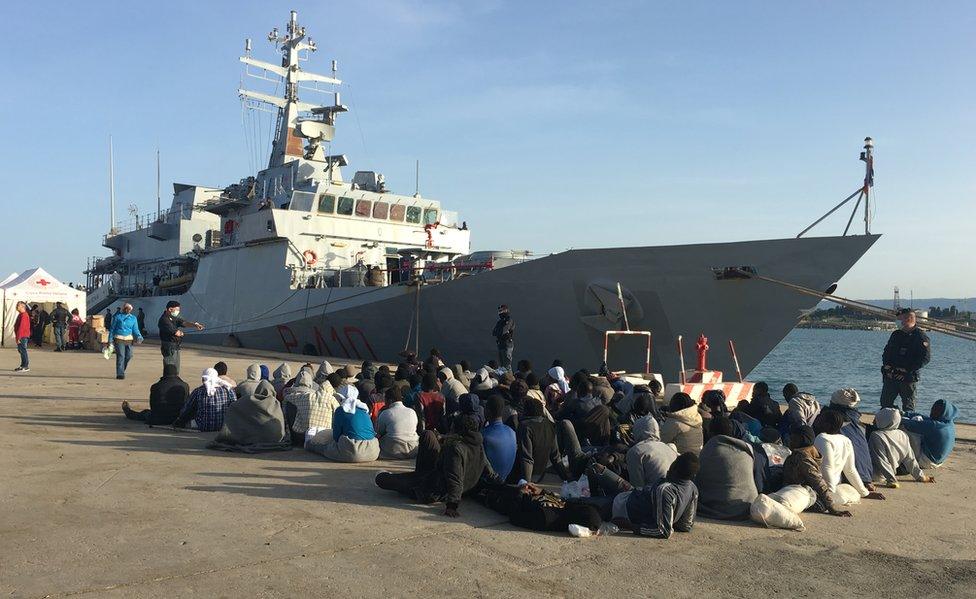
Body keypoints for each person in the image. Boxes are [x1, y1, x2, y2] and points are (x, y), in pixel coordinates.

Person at [375, 414, 505, 518]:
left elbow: (455, 478)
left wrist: (452, 505)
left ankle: (391, 476)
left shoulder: (454, 448)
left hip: (433, 489)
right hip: (441, 478)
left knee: (382, 480)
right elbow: (489, 471)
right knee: (428, 435)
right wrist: (504, 484)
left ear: (457, 429)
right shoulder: (478, 444)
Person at [613, 453, 700, 538]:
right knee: (606, 475)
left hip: (622, 506)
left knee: (602, 493)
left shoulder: (665, 490)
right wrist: (669, 517)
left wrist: (630, 526)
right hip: (633, 495)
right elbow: (686, 525)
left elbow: (662, 531)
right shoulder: (692, 488)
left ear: (675, 468)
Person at [813, 410, 885, 504]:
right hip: (836, 483)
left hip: (824, 485)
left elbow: (827, 468)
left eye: (821, 419)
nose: (817, 419)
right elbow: (850, 470)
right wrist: (864, 492)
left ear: (827, 425)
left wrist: (829, 493)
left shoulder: (822, 438)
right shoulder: (845, 440)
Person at [694, 417, 758, 520]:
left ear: (711, 432)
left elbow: (700, 480)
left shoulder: (711, 448)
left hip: (724, 509)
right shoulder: (746, 449)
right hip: (748, 506)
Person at [781, 425, 853, 517]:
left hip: (798, 489)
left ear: (802, 439)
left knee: (820, 505)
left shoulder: (801, 457)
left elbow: (817, 481)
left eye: (793, 437)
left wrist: (832, 508)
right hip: (805, 487)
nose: (790, 440)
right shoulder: (812, 450)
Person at [209, 380, 290, 452]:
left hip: (258, 438)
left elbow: (234, 406)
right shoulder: (275, 403)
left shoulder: (250, 400)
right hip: (276, 439)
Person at [817, 388, 873, 488]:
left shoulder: (828, 422)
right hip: (866, 475)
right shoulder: (858, 424)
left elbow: (827, 466)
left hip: (847, 478)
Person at [309, 385, 380, 463]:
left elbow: (336, 437)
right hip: (373, 451)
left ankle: (309, 444)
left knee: (321, 447)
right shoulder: (364, 409)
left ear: (341, 398)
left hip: (354, 452)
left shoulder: (341, 410)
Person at [880, 308, 931, 412]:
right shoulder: (896, 334)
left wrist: (907, 369)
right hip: (891, 376)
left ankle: (906, 426)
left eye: (899, 319)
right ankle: (887, 423)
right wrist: (887, 366)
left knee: (908, 407)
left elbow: (925, 358)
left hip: (907, 378)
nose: (897, 322)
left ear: (909, 319)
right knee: (885, 403)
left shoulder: (920, 337)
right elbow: (887, 352)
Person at [869, 408, 935, 487]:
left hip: (875, 474)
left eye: (877, 418)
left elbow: (881, 460)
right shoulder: (902, 434)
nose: (874, 420)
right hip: (892, 472)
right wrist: (921, 476)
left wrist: (891, 480)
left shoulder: (876, 435)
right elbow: (910, 459)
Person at [512, 396, 570, 483]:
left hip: (527, 475)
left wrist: (526, 484)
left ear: (525, 411)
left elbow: (527, 458)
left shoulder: (525, 426)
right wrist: (566, 477)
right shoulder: (549, 424)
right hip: (541, 472)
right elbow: (555, 456)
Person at [282, 368, 339, 446]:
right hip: (324, 436)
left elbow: (286, 397)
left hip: (302, 435)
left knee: (290, 405)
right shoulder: (332, 399)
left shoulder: (306, 396)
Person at [122, 365, 189, 425]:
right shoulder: (185, 386)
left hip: (159, 418)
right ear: (177, 373)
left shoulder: (156, 386)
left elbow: (153, 405)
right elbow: (187, 404)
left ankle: (129, 412)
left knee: (144, 413)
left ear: (164, 373)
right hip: (178, 417)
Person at [902, 399, 958, 469]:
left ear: (942, 412)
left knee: (905, 427)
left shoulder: (935, 426)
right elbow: (923, 417)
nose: (932, 412)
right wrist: (904, 413)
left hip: (927, 462)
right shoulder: (947, 423)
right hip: (938, 461)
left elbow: (909, 424)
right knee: (918, 418)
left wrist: (894, 415)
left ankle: (902, 456)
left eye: (936, 410)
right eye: (933, 408)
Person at [626, 416, 679, 488]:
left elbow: (637, 486)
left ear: (637, 430)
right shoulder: (667, 447)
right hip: (674, 492)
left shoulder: (635, 452)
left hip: (655, 495)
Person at [157, 301, 204, 375]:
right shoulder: (164, 320)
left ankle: (174, 381)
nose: (178, 312)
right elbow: (177, 333)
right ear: (170, 309)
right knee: (169, 368)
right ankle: (168, 382)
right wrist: (181, 333)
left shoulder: (174, 317)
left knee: (176, 369)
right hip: (169, 347)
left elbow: (184, 323)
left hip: (176, 346)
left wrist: (195, 325)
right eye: (176, 310)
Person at [376, 386, 420, 459]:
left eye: (385, 400)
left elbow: (379, 432)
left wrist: (379, 414)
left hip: (394, 449)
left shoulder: (386, 413)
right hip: (413, 449)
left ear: (390, 401)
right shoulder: (412, 412)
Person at [482, 395, 517, 481]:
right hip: (505, 478)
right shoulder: (512, 432)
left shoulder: (484, 435)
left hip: (488, 482)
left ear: (488, 411)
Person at [109, 303, 143, 380]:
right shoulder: (117, 317)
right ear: (123, 309)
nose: (128, 310)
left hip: (129, 339)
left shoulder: (133, 318)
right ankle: (120, 374)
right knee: (121, 356)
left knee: (129, 356)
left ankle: (121, 369)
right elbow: (112, 329)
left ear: (131, 310)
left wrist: (139, 336)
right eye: (126, 308)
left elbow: (135, 329)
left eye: (129, 308)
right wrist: (110, 340)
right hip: (119, 338)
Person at [492, 304, 515, 371]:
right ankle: (503, 379)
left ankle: (509, 379)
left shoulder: (509, 320)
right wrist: (499, 332)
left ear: (506, 310)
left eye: (501, 311)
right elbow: (493, 332)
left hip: (507, 344)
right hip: (500, 344)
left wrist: (499, 331)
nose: (500, 313)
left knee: (507, 365)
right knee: (501, 366)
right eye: (499, 311)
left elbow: (503, 330)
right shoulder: (500, 322)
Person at [13, 302, 32, 372]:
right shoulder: (21, 315)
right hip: (22, 335)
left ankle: (25, 366)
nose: (17, 307)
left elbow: (22, 327)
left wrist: (19, 337)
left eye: (18, 305)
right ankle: (22, 365)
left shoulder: (24, 315)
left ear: (22, 307)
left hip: (23, 335)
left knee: (23, 350)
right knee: (21, 351)